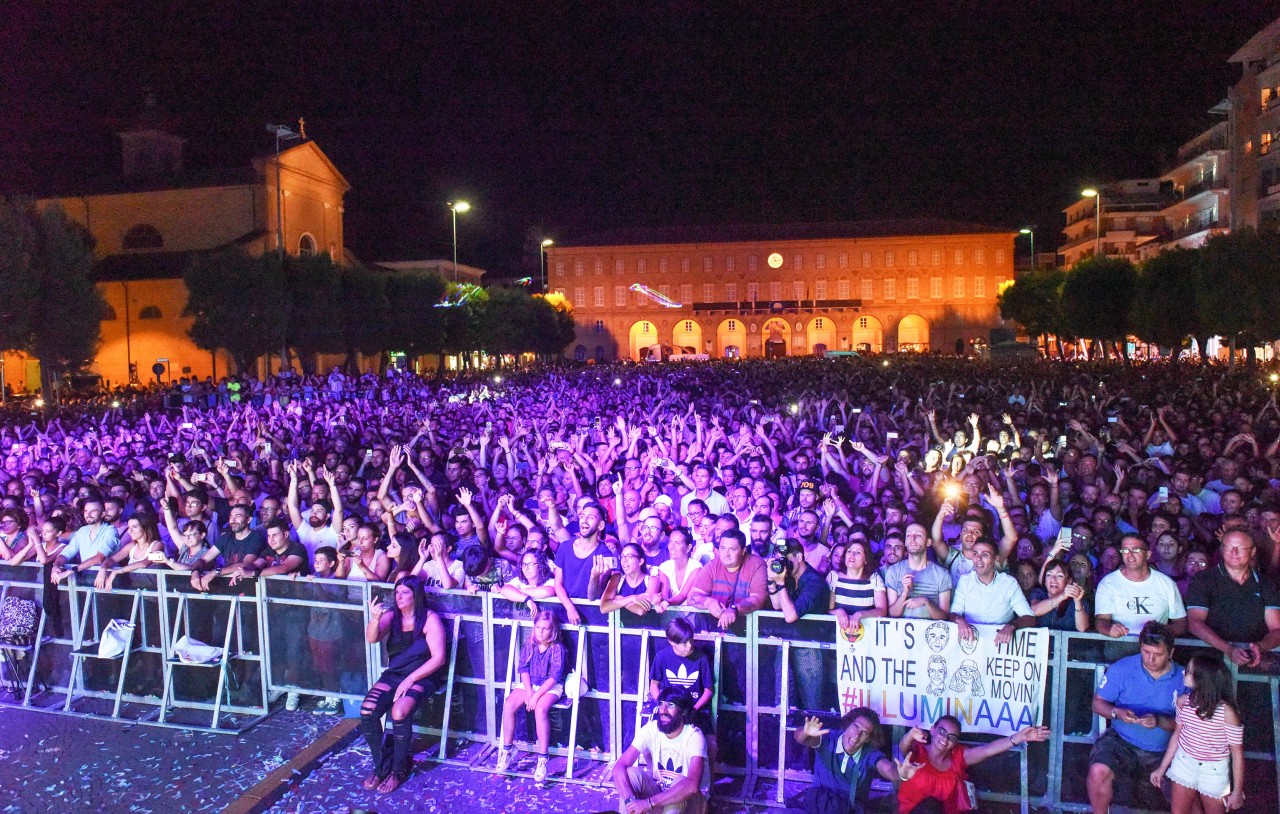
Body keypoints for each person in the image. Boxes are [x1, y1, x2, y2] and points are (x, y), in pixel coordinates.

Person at [360, 576, 447, 793]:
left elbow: (438, 658)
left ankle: (398, 770)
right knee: (367, 710)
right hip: (395, 673)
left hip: (423, 675)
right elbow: (371, 638)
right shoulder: (392, 616)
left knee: (399, 711)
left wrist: (411, 679)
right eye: (397, 592)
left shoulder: (430, 618)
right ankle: (382, 766)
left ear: (415, 595)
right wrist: (374, 619)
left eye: (405, 593)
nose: (399, 597)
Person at [1087, 622, 1184, 814]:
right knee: (1098, 771)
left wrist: (1159, 721)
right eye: (1146, 652)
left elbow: (1194, 724)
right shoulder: (1123, 668)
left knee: (1184, 792)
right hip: (1123, 741)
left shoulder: (1184, 677)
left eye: (1158, 654)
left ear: (1171, 653)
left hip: (1166, 750)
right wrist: (1117, 713)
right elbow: (1097, 703)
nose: (1150, 659)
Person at [1149, 654, 1246, 813]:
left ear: (1202, 679)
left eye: (1188, 671)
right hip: (1184, 763)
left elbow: (1237, 753)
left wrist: (1237, 791)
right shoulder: (1183, 701)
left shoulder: (1227, 713)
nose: (1183, 672)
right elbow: (1177, 735)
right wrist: (1162, 768)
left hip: (1214, 771)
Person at [896, 717, 1050, 814]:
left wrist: (1019, 737)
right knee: (931, 805)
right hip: (915, 811)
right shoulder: (917, 751)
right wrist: (910, 735)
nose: (945, 739)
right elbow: (903, 747)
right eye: (942, 731)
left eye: (952, 737)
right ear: (933, 730)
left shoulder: (958, 757)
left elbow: (987, 750)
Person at [1185, 529, 1280, 669]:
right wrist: (1228, 649)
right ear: (1222, 549)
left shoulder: (1266, 584)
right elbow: (1194, 623)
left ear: (1253, 551)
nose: (1234, 552)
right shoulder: (1203, 580)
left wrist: (1260, 647)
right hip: (1211, 661)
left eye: (1240, 547)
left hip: (1253, 661)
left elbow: (1276, 629)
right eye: (1229, 547)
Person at [495, 610, 566, 786]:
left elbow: (554, 677)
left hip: (550, 686)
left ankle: (543, 758)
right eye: (538, 627)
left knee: (540, 709)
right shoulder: (530, 643)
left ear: (553, 630)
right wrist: (528, 693)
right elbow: (523, 669)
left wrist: (536, 697)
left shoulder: (557, 648)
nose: (540, 632)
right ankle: (507, 749)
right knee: (509, 704)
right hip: (531, 684)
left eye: (545, 628)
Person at [613, 685, 708, 814]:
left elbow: (691, 785)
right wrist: (630, 802)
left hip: (690, 805)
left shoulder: (694, 736)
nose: (662, 710)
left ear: (684, 711)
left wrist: (648, 803)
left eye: (670, 705)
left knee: (680, 783)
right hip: (660, 798)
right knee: (631, 774)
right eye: (661, 704)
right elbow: (619, 766)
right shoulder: (651, 729)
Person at [790, 708, 897, 814]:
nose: (857, 735)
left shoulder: (869, 754)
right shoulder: (829, 739)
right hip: (818, 806)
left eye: (864, 732)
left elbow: (888, 770)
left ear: (868, 739)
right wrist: (805, 732)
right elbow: (799, 737)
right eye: (856, 726)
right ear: (848, 724)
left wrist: (901, 774)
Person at [768, 537, 830, 711]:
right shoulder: (789, 577)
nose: (784, 565)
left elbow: (790, 616)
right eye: (780, 561)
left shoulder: (814, 582)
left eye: (786, 560)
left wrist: (781, 584)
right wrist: (773, 581)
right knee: (787, 705)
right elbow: (777, 605)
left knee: (812, 705)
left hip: (811, 649)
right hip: (789, 644)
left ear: (800, 557)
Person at [1094, 535, 1187, 640]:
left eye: (1136, 550)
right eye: (1125, 550)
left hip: (1155, 644)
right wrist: (1109, 629)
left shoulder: (1167, 583)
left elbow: (1180, 622)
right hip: (1120, 644)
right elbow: (1101, 620)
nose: (1130, 555)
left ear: (1148, 555)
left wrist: (1161, 632)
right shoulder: (1108, 583)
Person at [949, 539, 1034, 646]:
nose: (978, 559)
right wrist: (959, 620)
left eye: (985, 555)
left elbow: (1029, 618)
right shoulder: (965, 581)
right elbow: (954, 613)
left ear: (996, 559)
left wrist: (1011, 626)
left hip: (1000, 645)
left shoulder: (1009, 583)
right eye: (975, 554)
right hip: (971, 645)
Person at [686, 529, 768, 631]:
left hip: (748, 630)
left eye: (732, 549)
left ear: (743, 551)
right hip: (714, 628)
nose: (726, 554)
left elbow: (759, 598)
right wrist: (708, 602)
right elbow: (692, 596)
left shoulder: (756, 564)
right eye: (723, 548)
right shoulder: (712, 565)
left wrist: (735, 609)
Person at [649, 617, 713, 726]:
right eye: (684, 643)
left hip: (693, 708)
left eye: (691, 640)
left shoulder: (701, 658)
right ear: (671, 642)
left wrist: (693, 710)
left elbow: (708, 691)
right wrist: (663, 706)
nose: (690, 645)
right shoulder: (661, 656)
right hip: (668, 708)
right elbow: (654, 686)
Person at [884, 523, 952, 620]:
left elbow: (944, 618)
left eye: (918, 535)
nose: (912, 538)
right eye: (908, 535)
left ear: (928, 542)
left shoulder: (942, 574)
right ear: (905, 542)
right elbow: (892, 615)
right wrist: (904, 593)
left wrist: (926, 602)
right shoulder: (893, 571)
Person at [50, 498, 120, 584]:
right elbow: (67, 552)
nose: (88, 514)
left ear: (102, 514)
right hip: (87, 580)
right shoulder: (82, 531)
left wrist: (71, 570)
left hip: (108, 582)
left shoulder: (110, 531)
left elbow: (99, 558)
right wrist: (56, 565)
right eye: (86, 511)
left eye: (93, 511)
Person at [93, 514, 163, 591]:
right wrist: (103, 568)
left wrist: (117, 572)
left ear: (145, 527)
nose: (130, 531)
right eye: (129, 527)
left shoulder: (157, 545)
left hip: (155, 593)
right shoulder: (131, 546)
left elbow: (144, 563)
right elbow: (112, 560)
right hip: (136, 590)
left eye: (134, 527)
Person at [601, 543, 663, 617]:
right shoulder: (617, 578)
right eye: (622, 556)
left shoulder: (652, 580)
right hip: (621, 624)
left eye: (629, 556)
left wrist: (620, 598)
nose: (624, 560)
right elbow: (603, 607)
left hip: (646, 624)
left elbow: (641, 610)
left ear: (640, 561)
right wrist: (632, 598)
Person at [1032, 558, 1091, 632]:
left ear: (1069, 581)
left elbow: (1082, 628)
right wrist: (1062, 596)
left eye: (1059, 576)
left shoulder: (1079, 600)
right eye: (1049, 575)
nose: (1053, 579)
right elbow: (1035, 611)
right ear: (1045, 580)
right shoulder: (1039, 593)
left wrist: (1077, 601)